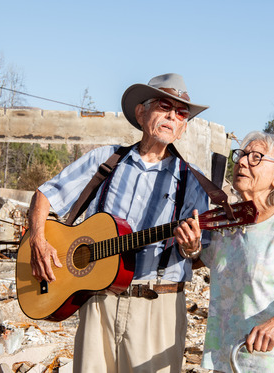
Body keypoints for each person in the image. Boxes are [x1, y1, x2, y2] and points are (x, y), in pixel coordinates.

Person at [27, 73, 209, 372]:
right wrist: (38, 239)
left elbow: (201, 254)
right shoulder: (105, 160)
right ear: (141, 111)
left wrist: (191, 248)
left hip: (157, 305)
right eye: (164, 106)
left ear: (183, 127)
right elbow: (44, 196)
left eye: (180, 113)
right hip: (97, 301)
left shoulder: (193, 180)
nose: (171, 117)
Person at [176, 131, 274, 372]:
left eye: (256, 157)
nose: (243, 162)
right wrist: (192, 248)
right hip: (228, 357)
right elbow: (200, 260)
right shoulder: (227, 220)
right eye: (242, 155)